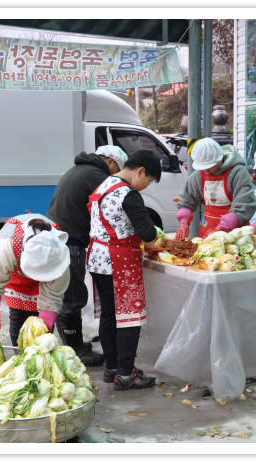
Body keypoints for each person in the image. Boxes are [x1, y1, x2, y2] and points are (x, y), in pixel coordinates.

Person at [45, 145, 128, 367]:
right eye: (118, 170)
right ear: (111, 162)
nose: (117, 176)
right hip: (69, 241)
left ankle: (72, 343)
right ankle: (75, 350)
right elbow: (115, 207)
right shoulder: (97, 176)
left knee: (67, 293)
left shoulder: (81, 169)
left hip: (59, 237)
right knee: (73, 297)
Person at [87, 150, 161, 390]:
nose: (147, 186)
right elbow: (148, 234)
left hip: (97, 259)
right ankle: (126, 375)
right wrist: (156, 245)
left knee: (109, 314)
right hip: (118, 261)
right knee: (129, 318)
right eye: (150, 180)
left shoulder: (104, 185)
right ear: (141, 171)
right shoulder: (128, 194)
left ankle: (112, 368)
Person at [0, 214, 70, 347]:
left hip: (46, 272)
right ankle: (18, 352)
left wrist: (45, 325)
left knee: (42, 330)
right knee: (18, 316)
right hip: (16, 277)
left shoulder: (59, 256)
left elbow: (52, 297)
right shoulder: (4, 247)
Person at [175, 138, 256, 239]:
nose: (206, 169)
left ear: (219, 158)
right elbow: (187, 199)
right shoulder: (199, 175)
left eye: (209, 165)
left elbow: (246, 203)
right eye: (203, 166)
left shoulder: (238, 172)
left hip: (235, 235)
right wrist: (184, 221)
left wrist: (223, 226)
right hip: (206, 232)